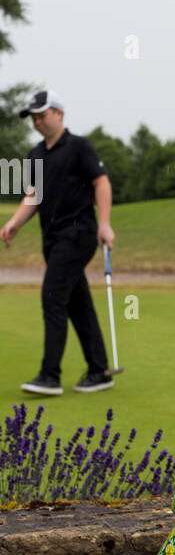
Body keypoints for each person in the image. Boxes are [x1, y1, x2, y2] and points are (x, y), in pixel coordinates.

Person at [0, 88, 116, 394]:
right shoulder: (36, 154)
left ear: (59, 114)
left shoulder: (79, 147)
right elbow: (33, 197)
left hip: (78, 235)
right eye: (33, 118)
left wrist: (104, 224)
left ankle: (49, 375)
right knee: (78, 303)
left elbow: (101, 183)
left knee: (52, 296)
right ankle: (99, 370)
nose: (37, 122)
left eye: (42, 115)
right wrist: (14, 222)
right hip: (51, 240)